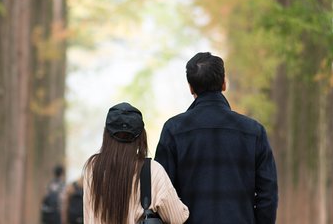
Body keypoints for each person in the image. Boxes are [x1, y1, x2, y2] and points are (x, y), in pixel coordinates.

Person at [154, 52, 278, 224]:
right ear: (224, 83)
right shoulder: (254, 132)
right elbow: (267, 195)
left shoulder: (173, 130)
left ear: (191, 87)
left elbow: (161, 194)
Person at [83, 102, 189, 224]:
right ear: (141, 136)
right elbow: (178, 218)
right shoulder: (152, 170)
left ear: (106, 134)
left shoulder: (93, 168)